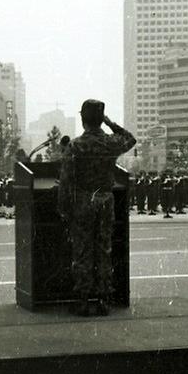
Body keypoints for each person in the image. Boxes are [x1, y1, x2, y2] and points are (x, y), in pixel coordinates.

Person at [58, 99, 136, 316]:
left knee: (82, 251)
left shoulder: (76, 145)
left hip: (83, 201)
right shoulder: (110, 143)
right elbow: (130, 139)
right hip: (105, 200)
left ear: (83, 118)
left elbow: (65, 182)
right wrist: (110, 123)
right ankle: (103, 300)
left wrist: (64, 208)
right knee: (104, 249)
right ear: (100, 119)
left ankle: (82, 300)